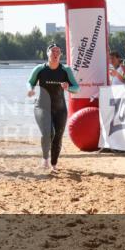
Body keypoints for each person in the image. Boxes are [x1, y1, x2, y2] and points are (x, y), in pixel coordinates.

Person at [27, 44, 80, 173]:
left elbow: (76, 88)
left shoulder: (65, 70)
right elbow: (30, 82)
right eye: (53, 52)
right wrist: (30, 89)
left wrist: (68, 87)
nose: (56, 54)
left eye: (58, 52)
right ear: (48, 54)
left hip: (60, 108)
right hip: (42, 107)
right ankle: (45, 159)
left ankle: (54, 164)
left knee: (58, 136)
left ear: (60, 55)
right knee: (48, 133)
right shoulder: (39, 69)